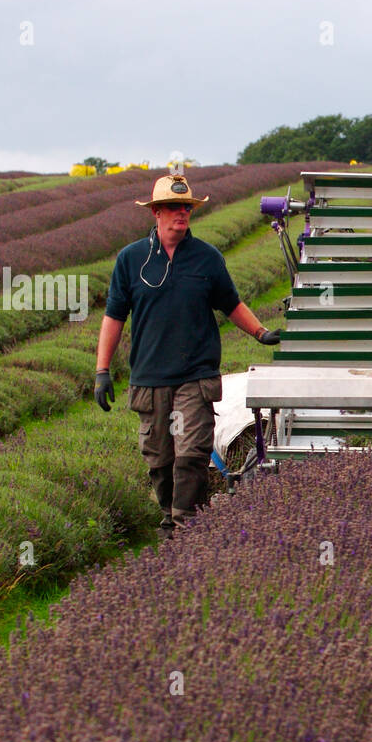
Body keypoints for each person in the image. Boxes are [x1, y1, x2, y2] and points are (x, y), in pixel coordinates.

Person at [94, 173, 277, 539]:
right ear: (156, 213)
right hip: (149, 377)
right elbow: (113, 316)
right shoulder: (131, 260)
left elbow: (231, 304)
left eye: (187, 207)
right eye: (175, 208)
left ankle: (184, 528)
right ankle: (169, 517)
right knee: (160, 460)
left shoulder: (207, 258)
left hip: (196, 374)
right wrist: (102, 370)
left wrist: (261, 332)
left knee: (192, 453)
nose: (182, 213)